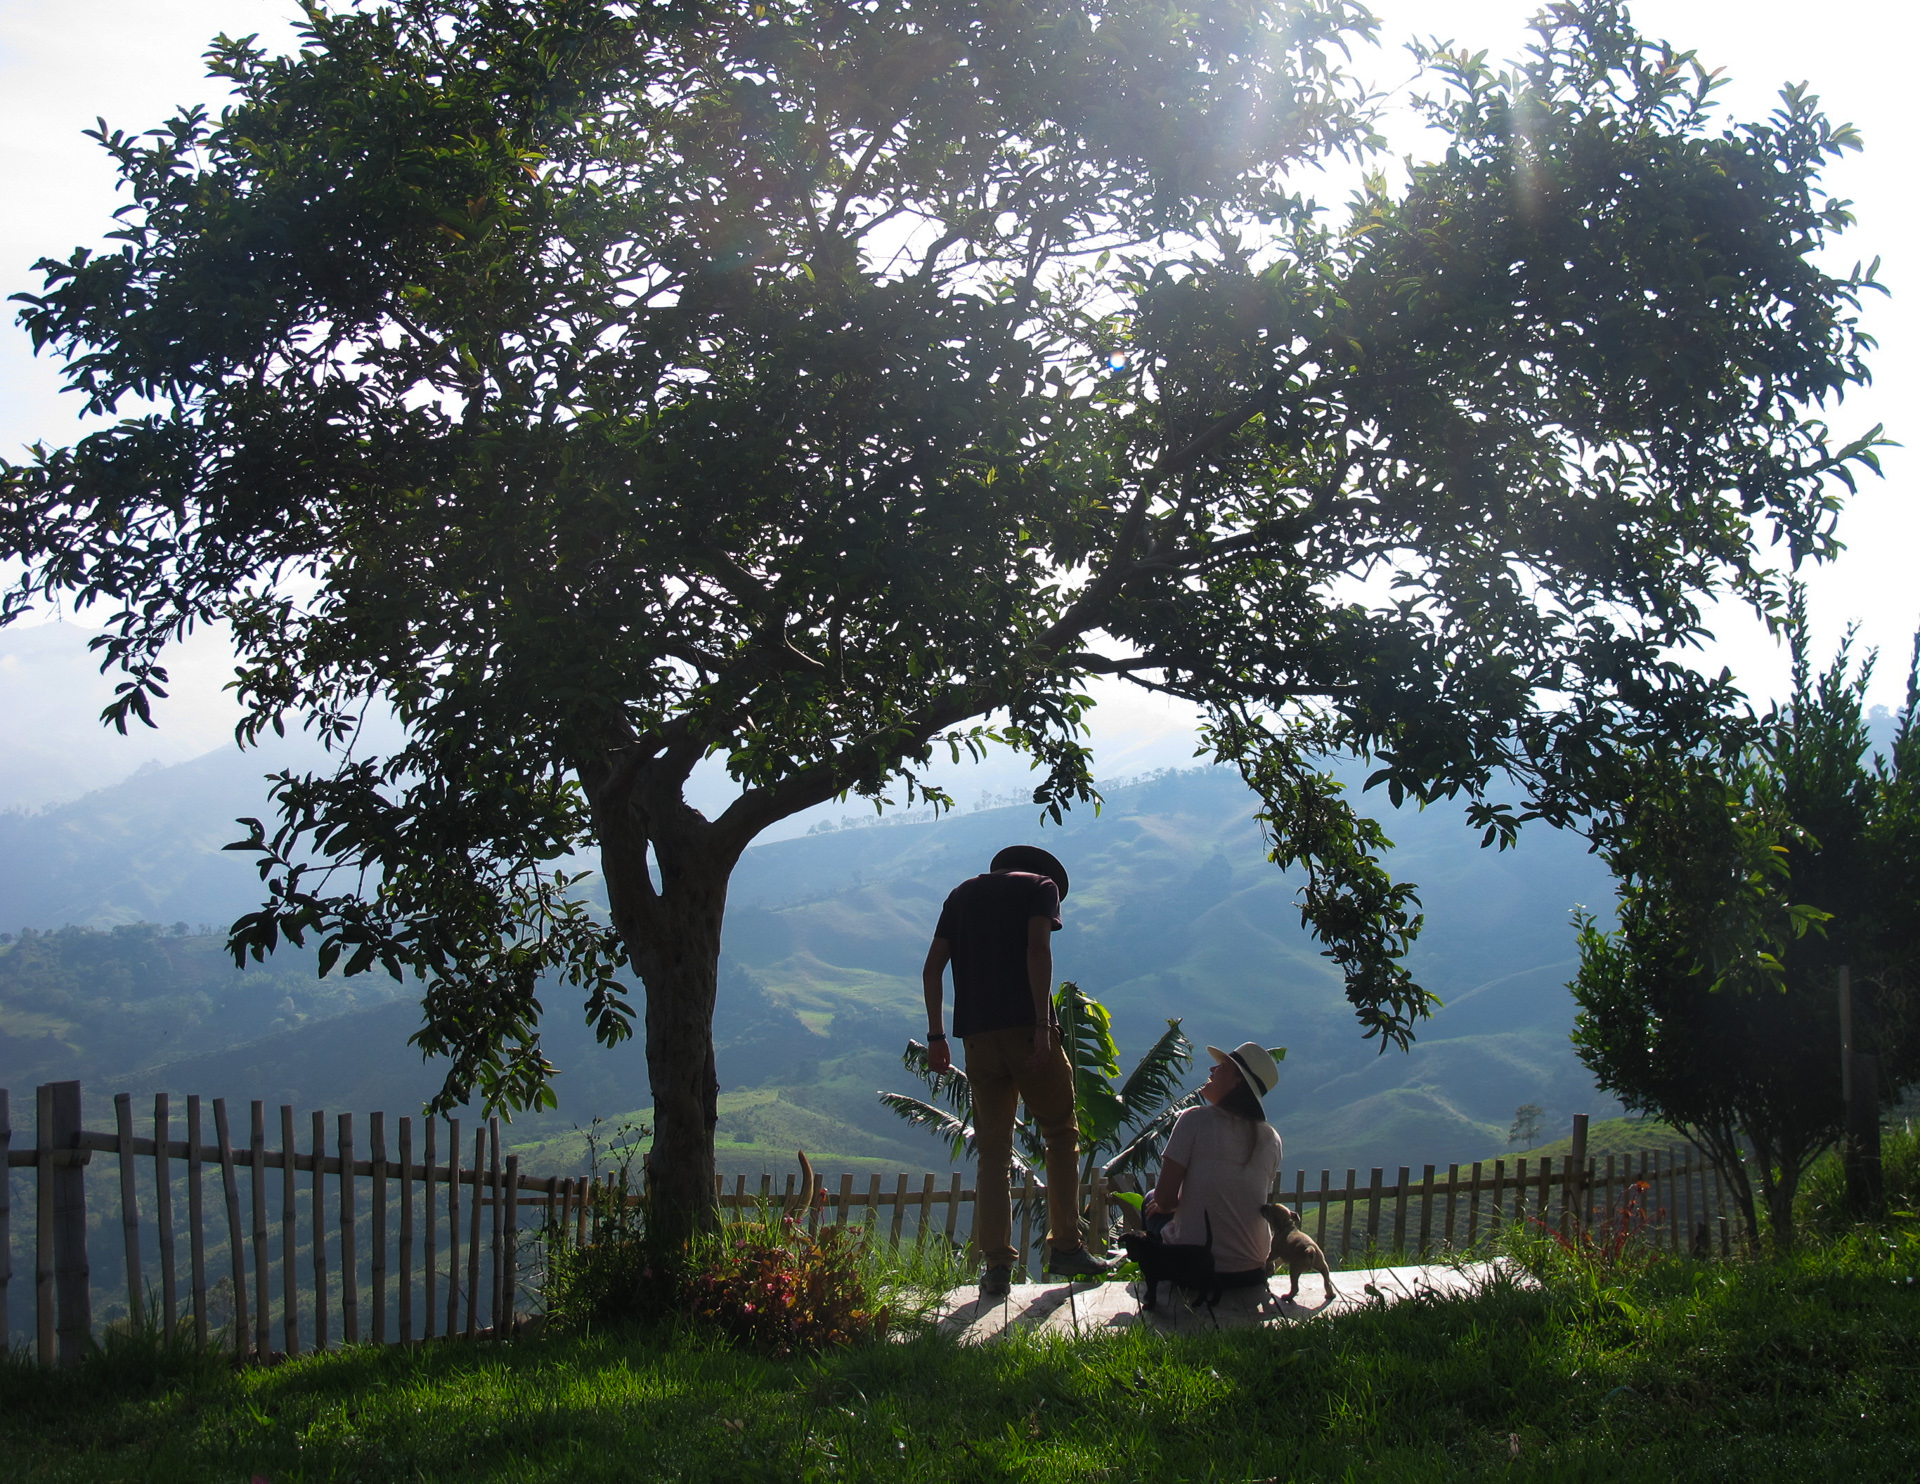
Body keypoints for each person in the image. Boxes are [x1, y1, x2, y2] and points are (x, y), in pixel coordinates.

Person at [922, 844, 1111, 1296]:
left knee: (992, 1153)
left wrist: (936, 1036)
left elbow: (932, 970)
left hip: (977, 1041)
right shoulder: (1040, 888)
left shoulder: (960, 895)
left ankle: (996, 1266)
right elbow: (1037, 950)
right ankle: (1066, 1245)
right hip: (1028, 1034)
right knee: (1061, 1134)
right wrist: (1044, 1025)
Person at [1144, 1041, 1283, 1290]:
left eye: (1221, 1067)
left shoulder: (1194, 1120)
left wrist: (1173, 1204)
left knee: (1151, 1199)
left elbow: (1165, 1201)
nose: (1211, 1070)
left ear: (1236, 1082)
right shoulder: (1271, 1138)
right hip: (1251, 1270)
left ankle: (1156, 1280)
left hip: (1195, 1268)